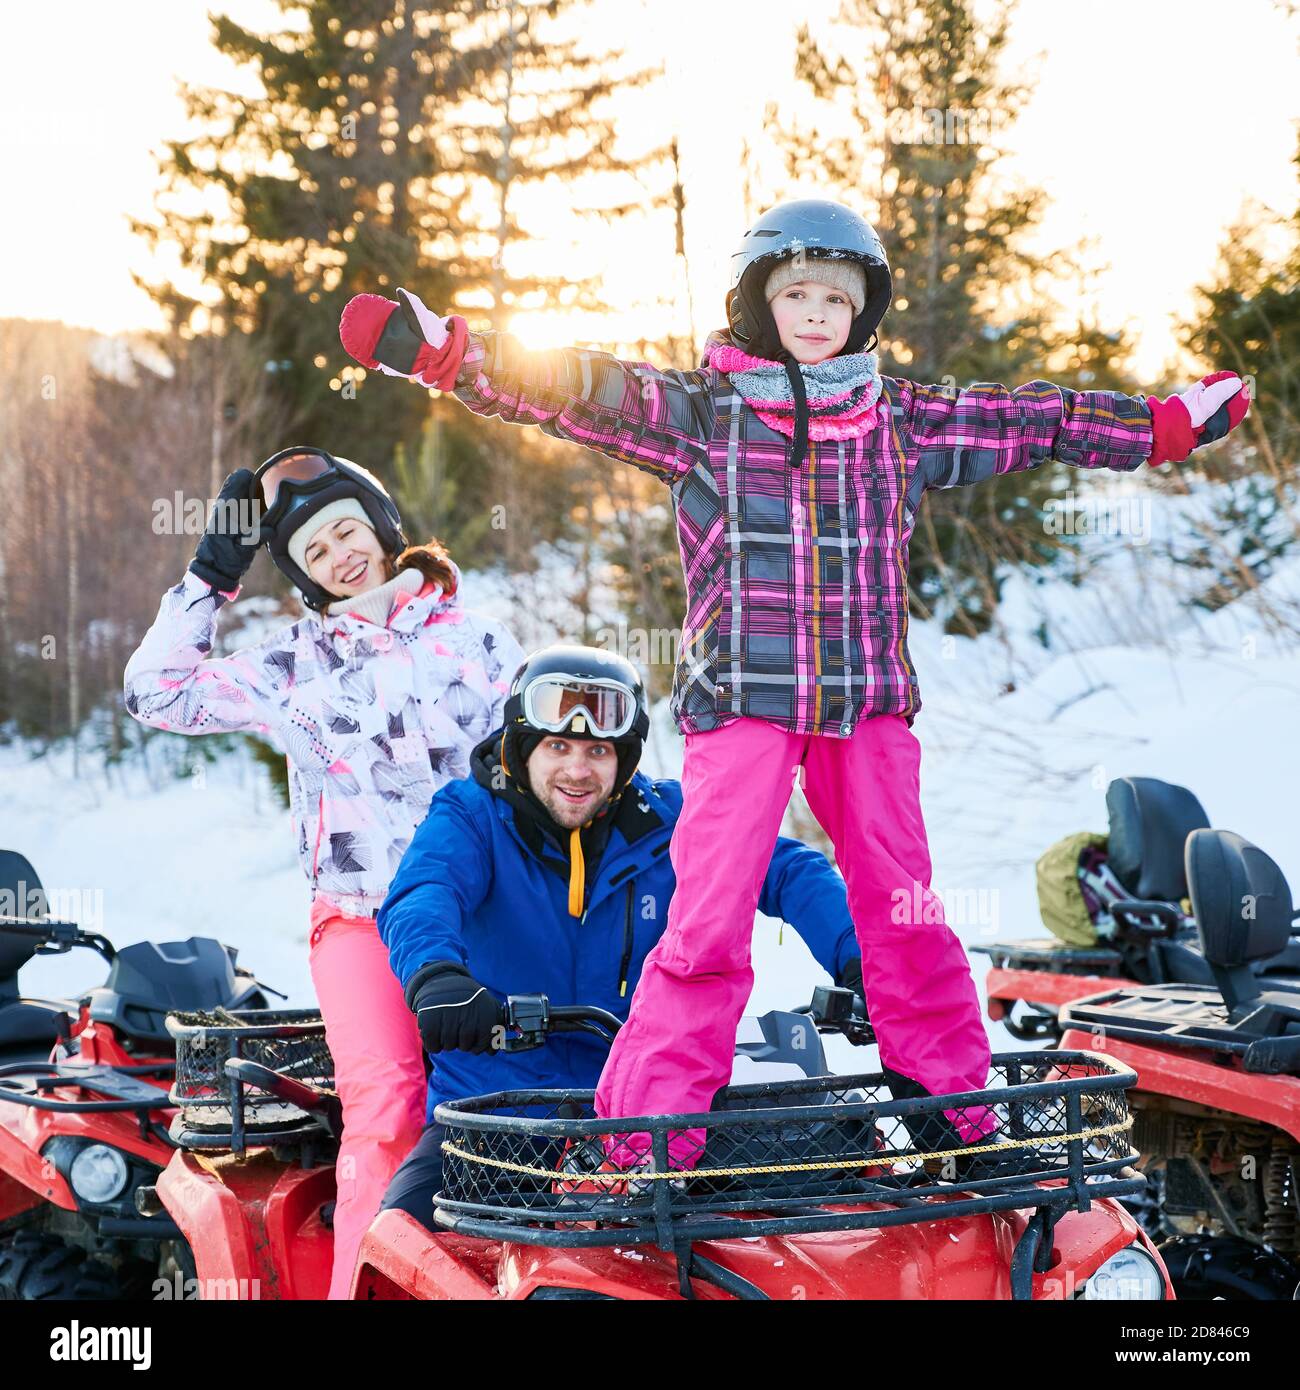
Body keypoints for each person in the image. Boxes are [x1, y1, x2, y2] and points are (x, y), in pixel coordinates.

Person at [338, 198, 1251, 1169]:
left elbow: (1030, 420)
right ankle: (652, 1132)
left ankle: (958, 1114)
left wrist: (1155, 427)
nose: (815, 313)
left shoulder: (897, 419)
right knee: (708, 910)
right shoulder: (707, 414)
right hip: (744, 700)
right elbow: (578, 389)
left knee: (904, 907)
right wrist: (451, 357)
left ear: (861, 314)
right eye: (796, 294)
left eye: (836, 298)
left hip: (867, 705)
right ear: (757, 303)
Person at [123, 447, 525, 1295]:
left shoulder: (479, 641)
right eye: (313, 553)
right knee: (383, 1111)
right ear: (304, 578)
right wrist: (212, 574)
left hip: (480, 912)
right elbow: (154, 693)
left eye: (346, 530)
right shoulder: (290, 664)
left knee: (505, 1112)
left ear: (380, 527)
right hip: (359, 916)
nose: (339, 554)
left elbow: (544, 771)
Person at [376, 644, 862, 1221]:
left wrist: (861, 960)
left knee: (795, 1225)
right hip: (498, 1120)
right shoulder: (471, 816)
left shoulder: (669, 822)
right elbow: (424, 891)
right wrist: (437, 976)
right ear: (521, 747)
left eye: (598, 752)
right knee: (403, 1236)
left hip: (655, 1122)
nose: (578, 771)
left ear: (624, 760)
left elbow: (785, 869)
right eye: (558, 747)